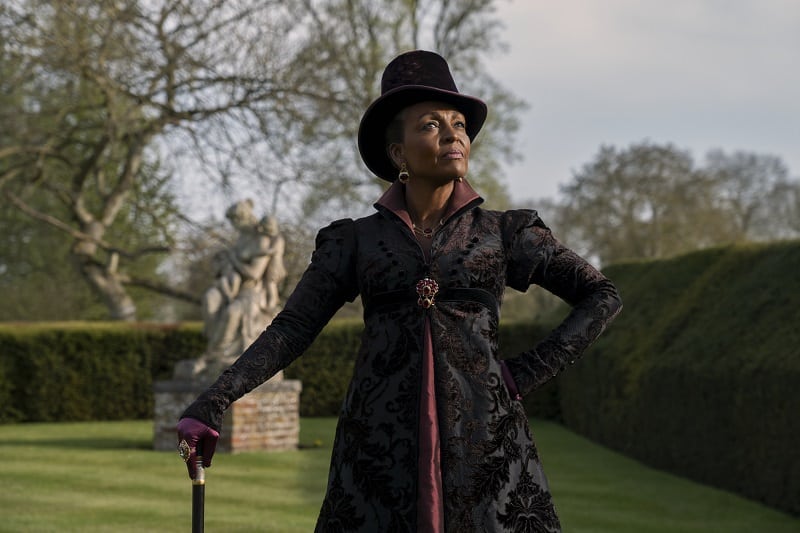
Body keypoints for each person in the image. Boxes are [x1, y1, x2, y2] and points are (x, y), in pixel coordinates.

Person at [177, 50, 622, 532]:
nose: (453, 134)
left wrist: (522, 374)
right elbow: (292, 329)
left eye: (459, 124)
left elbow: (601, 295)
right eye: (431, 125)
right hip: (377, 454)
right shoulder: (355, 240)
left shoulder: (505, 233)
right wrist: (213, 401)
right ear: (398, 154)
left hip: (485, 450)